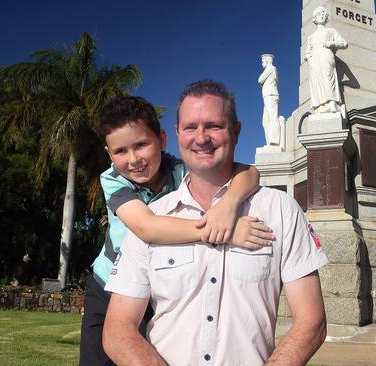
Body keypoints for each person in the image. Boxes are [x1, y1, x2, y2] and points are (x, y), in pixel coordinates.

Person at [103, 80, 328, 366]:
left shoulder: (280, 210)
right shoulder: (150, 217)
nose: (201, 138)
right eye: (190, 127)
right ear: (176, 134)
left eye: (213, 126)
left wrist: (230, 204)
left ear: (236, 131)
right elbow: (117, 329)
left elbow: (312, 322)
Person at [80, 95, 275, 366]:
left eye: (141, 145)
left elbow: (250, 173)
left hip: (159, 288)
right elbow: (146, 227)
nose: (133, 159)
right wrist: (225, 231)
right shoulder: (112, 179)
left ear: (161, 140)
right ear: (109, 154)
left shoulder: (180, 168)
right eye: (120, 151)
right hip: (109, 287)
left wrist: (229, 205)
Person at [304, 6, 348, 115]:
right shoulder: (311, 37)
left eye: (324, 14)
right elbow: (307, 52)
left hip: (326, 55)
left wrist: (332, 43)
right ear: (315, 18)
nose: (322, 16)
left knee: (328, 77)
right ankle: (320, 107)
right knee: (317, 82)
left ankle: (332, 103)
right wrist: (309, 58)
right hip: (314, 59)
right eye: (320, 14)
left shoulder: (331, 31)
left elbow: (344, 43)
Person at [258, 54, 280, 146]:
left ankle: (274, 141)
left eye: (263, 61)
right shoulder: (271, 69)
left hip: (270, 94)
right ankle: (269, 141)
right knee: (265, 121)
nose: (262, 63)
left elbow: (259, 80)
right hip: (268, 95)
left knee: (272, 118)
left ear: (267, 61)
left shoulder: (270, 68)